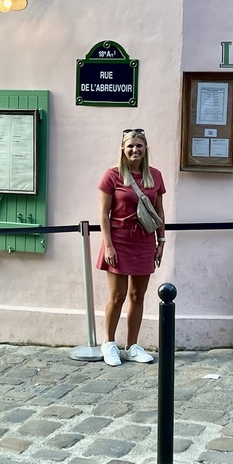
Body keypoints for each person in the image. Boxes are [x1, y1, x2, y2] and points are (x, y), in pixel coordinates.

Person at [96, 129, 166, 366]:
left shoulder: (155, 176)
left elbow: (159, 212)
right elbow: (104, 215)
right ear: (123, 150)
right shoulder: (113, 175)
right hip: (118, 241)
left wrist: (161, 241)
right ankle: (109, 343)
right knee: (117, 296)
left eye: (139, 146)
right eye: (131, 146)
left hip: (144, 241)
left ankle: (132, 346)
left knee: (138, 295)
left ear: (146, 149)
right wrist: (108, 246)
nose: (135, 150)